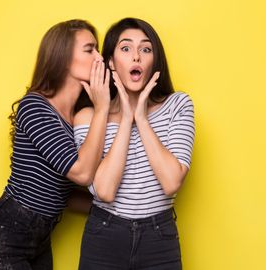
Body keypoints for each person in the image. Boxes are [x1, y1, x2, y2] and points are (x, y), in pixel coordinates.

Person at [0, 19, 110, 270]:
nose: (100, 58)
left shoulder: (79, 119)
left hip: (40, 241)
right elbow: (81, 172)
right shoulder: (35, 107)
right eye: (90, 50)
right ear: (63, 56)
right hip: (4, 242)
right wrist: (102, 109)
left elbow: (62, 195)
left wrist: (123, 209)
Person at [74, 18, 195, 270]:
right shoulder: (89, 117)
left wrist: (140, 117)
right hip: (104, 235)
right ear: (110, 61)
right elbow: (105, 191)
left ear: (154, 61)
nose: (136, 57)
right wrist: (126, 116)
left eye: (146, 49)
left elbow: (172, 182)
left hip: (159, 238)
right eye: (126, 48)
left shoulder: (178, 106)